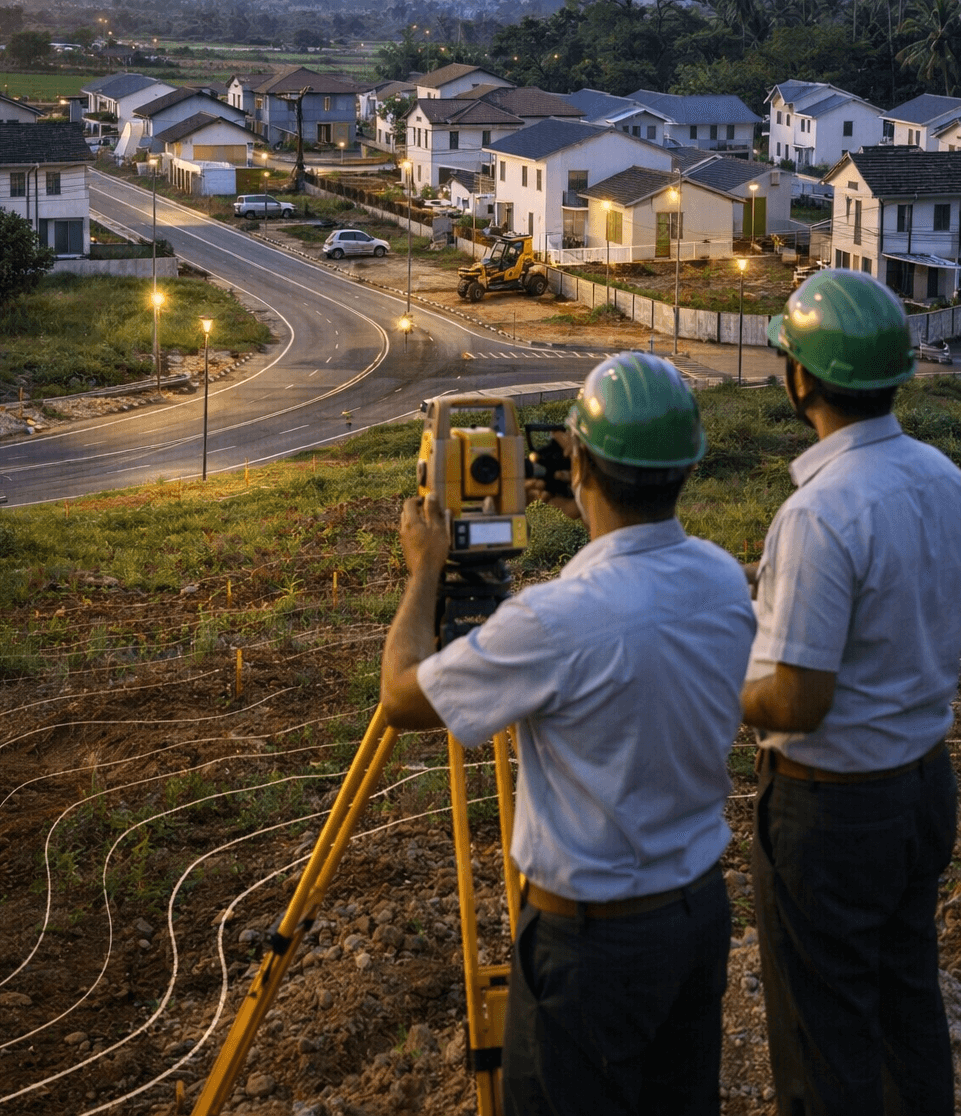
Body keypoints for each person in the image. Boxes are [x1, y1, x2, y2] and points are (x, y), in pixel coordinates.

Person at [381, 353, 755, 1115]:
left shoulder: (554, 622)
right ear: (685, 467)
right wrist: (587, 489)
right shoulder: (720, 577)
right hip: (694, 921)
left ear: (578, 459)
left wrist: (425, 569)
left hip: (593, 951)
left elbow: (401, 698)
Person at [743, 270, 961, 1116]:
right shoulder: (942, 478)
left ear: (802, 378)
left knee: (823, 1035)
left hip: (833, 812)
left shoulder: (820, 512)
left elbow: (795, 701)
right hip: (921, 785)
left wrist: (725, 681)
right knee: (906, 1004)